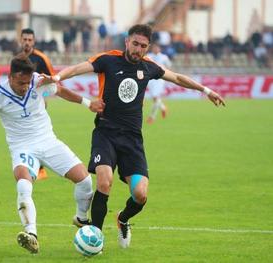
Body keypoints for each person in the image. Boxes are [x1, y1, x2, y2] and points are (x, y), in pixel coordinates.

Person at [45, 24, 225, 249]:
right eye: (135, 43)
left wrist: (206, 91)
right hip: (106, 133)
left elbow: (177, 77)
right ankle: (96, 240)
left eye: (143, 46)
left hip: (132, 139)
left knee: (140, 194)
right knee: (104, 180)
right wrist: (56, 77)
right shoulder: (108, 60)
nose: (138, 49)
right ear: (127, 42)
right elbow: (77, 68)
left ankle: (122, 219)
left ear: (147, 48)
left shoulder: (148, 67)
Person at [0, 55, 105, 254]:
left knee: (85, 181)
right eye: (20, 82)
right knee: (24, 184)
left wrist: (88, 103)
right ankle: (31, 234)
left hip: (49, 141)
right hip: (22, 147)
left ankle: (81, 218)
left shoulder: (37, 81)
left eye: (27, 82)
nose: (25, 86)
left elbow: (59, 91)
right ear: (10, 76)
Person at [18, 28, 56, 180]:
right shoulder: (17, 58)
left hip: (37, 103)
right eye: (24, 39)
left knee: (37, 134)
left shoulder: (41, 58)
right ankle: (30, 165)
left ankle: (40, 168)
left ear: (33, 41)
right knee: (24, 134)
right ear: (20, 40)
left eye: (29, 40)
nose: (27, 42)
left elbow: (53, 79)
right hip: (20, 104)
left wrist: (43, 95)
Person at [146, 43, 172, 124]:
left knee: (155, 96)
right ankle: (163, 108)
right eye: (154, 48)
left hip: (160, 79)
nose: (155, 49)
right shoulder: (148, 56)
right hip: (150, 79)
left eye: (157, 48)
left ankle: (152, 117)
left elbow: (169, 66)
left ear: (159, 49)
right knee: (154, 98)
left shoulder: (164, 57)